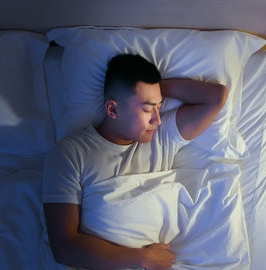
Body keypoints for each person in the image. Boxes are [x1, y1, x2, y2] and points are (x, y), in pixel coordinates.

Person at [42, 54, 227, 270]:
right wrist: (143, 259)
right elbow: (63, 247)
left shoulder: (162, 137)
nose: (157, 119)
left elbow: (216, 96)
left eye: (159, 106)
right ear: (112, 109)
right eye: (148, 109)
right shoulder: (72, 152)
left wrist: (154, 89)